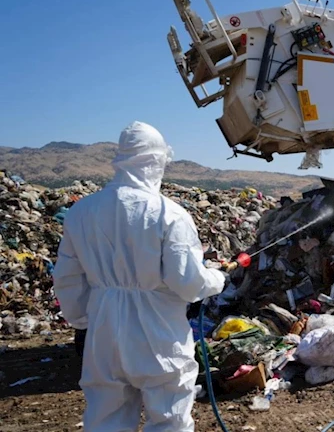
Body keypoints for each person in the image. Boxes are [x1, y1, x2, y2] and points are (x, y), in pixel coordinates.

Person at [53, 121, 227, 431]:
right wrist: (217, 279)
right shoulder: (169, 213)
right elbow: (187, 283)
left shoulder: (81, 212)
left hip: (103, 333)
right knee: (169, 419)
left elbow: (67, 278)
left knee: (106, 419)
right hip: (159, 334)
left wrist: (83, 321)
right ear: (158, 161)